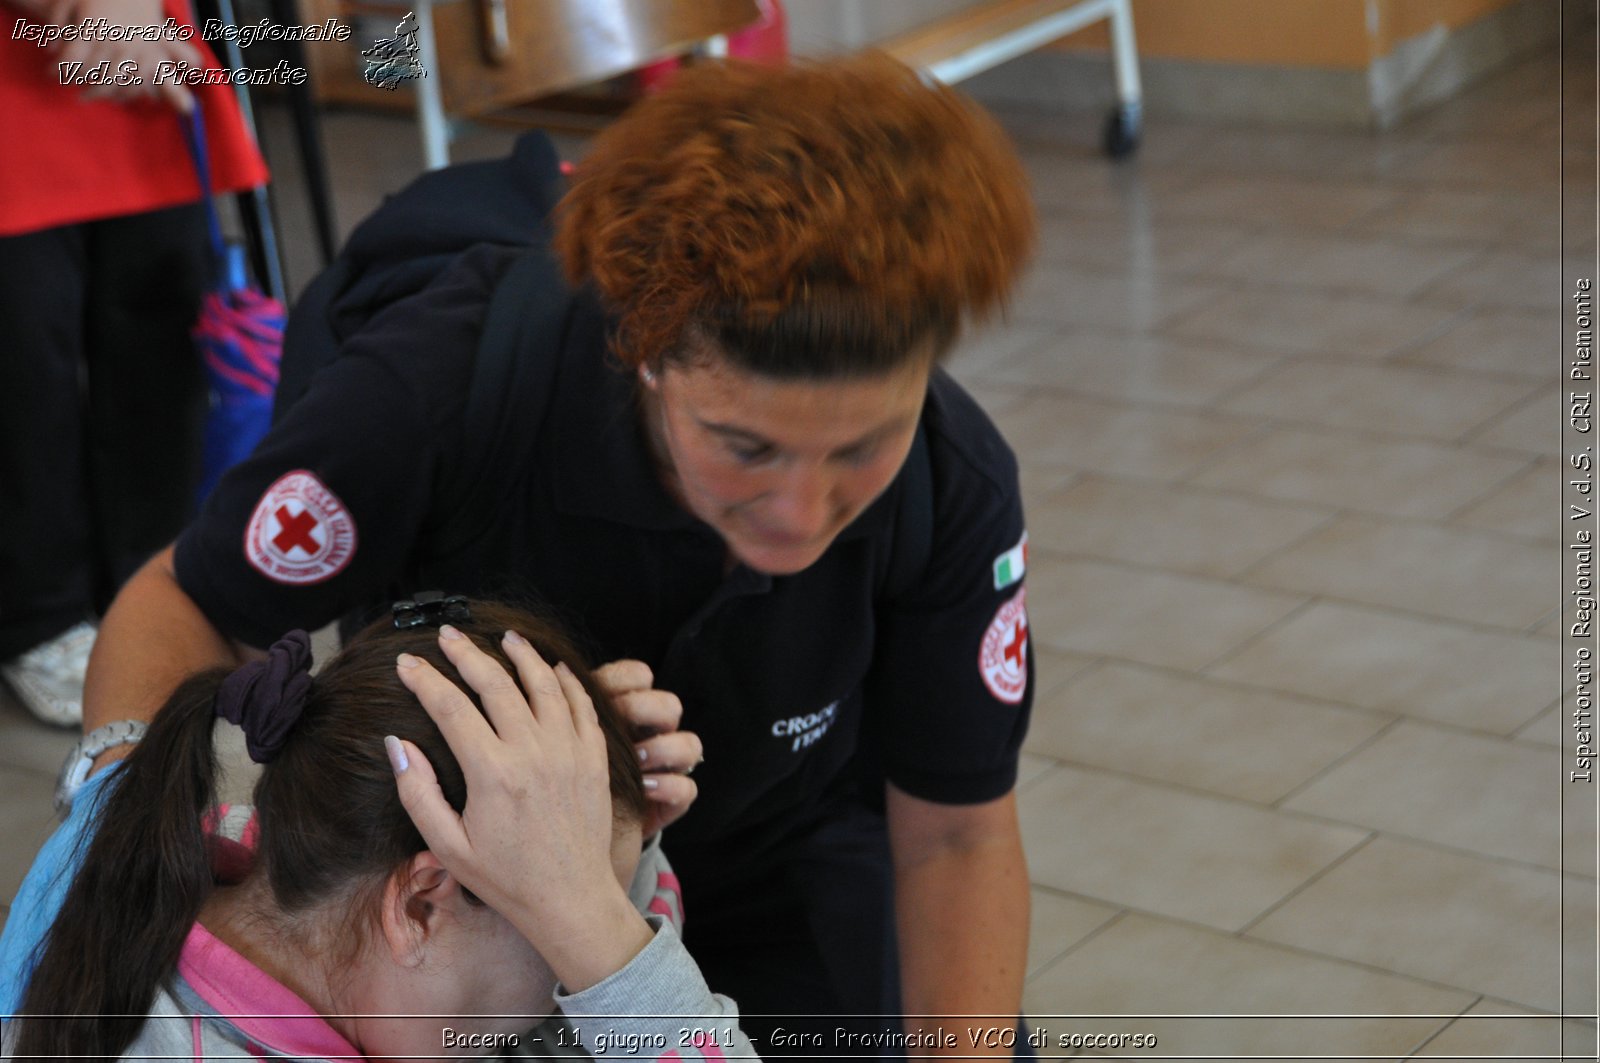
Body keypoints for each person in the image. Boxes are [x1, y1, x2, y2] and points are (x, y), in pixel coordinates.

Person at [62, 53, 1036, 1056]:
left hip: (789, 843)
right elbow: (188, 598)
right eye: (745, 447)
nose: (801, 512)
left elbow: (957, 834)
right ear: (648, 352)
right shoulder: (431, 391)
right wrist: (122, 842)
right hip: (480, 881)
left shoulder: (952, 481)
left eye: (861, 447)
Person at [3, 599, 751, 1061]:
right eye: (570, 945)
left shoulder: (172, 859)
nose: (576, 996)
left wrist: (614, 816)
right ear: (421, 903)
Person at [0, 0, 267, 725]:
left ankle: (155, 586)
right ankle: (39, 613)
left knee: (162, 341)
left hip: (141, 53)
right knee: (23, 360)